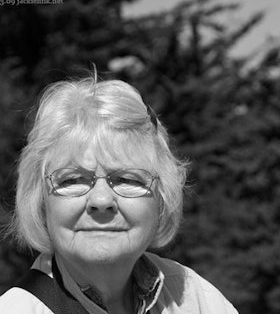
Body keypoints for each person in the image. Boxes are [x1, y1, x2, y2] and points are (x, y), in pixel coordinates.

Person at [0, 70, 238, 314]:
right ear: (40, 202)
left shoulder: (194, 299)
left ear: (162, 198)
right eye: (72, 179)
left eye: (127, 178)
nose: (101, 200)